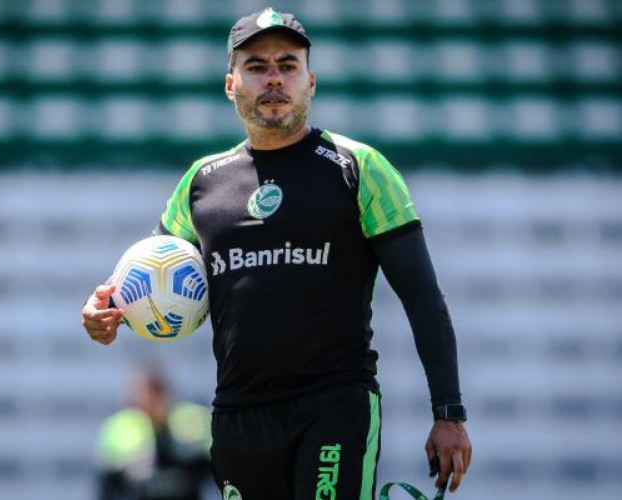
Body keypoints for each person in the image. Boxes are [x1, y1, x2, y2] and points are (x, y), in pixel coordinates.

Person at [83, 8, 472, 499]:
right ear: (231, 84)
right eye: (256, 66)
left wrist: (448, 413)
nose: (273, 79)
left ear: (311, 81)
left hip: (334, 406)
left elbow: (422, 297)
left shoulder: (359, 168)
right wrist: (106, 311)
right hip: (238, 418)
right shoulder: (202, 183)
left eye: (287, 66)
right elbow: (148, 277)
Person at [94, 366, 212, 500]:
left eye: (155, 393)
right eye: (143, 394)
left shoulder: (190, 421)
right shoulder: (119, 429)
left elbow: (212, 468)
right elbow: (107, 482)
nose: (149, 401)